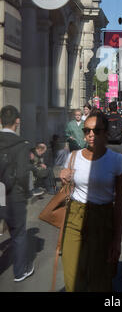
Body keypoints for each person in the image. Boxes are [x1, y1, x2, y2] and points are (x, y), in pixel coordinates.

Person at [60, 109, 122, 292]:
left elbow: (121, 203)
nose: (91, 135)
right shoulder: (73, 158)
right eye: (87, 131)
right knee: (73, 277)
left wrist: (117, 240)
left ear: (105, 133)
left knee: (101, 279)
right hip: (75, 217)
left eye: (96, 130)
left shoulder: (118, 161)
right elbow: (65, 192)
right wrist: (63, 177)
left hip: (103, 219)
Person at [0, 105, 34, 282]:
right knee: (19, 234)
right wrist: (27, 192)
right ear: (17, 121)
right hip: (14, 196)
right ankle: (20, 272)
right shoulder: (22, 145)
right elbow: (22, 174)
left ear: (0, 121)